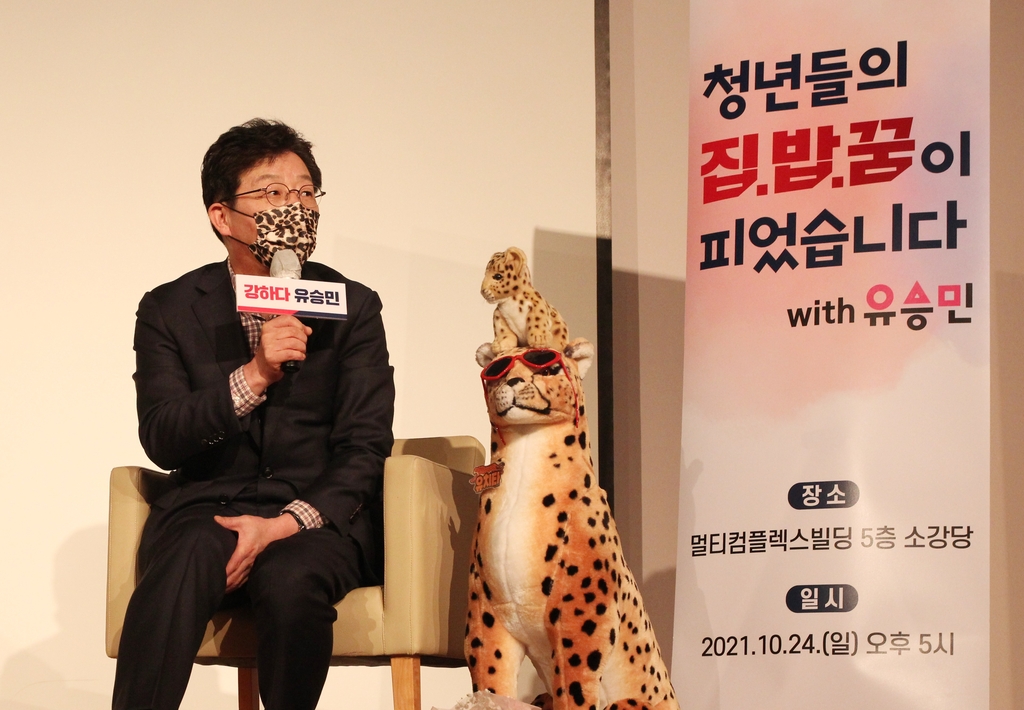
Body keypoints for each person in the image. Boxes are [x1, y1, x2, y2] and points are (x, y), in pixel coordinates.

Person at [112, 119, 395, 710]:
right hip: (209, 509)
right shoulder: (169, 308)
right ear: (222, 216)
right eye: (272, 193)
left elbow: (365, 446)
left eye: (305, 192)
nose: (295, 207)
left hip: (316, 519)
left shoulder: (353, 306)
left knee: (289, 576)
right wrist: (255, 375)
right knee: (190, 550)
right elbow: (162, 435)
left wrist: (284, 524)